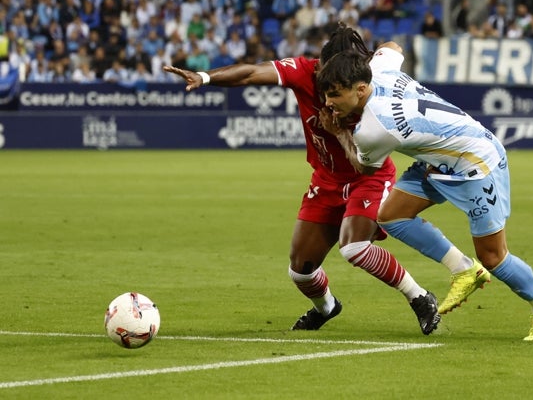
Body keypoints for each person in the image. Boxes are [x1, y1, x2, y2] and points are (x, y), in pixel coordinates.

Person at [163, 24, 441, 335]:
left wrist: (339, 128)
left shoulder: (368, 83)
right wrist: (206, 77)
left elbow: (393, 49)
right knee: (301, 271)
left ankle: (419, 298)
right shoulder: (304, 71)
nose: (326, 87)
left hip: (369, 176)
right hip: (326, 181)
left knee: (355, 247)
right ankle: (327, 307)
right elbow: (252, 74)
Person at [316, 45, 533, 341]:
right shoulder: (380, 69)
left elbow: (365, 169)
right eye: (327, 95)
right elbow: (392, 47)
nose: (329, 103)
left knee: (494, 256)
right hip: (442, 159)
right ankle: (464, 269)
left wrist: (339, 133)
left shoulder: (374, 128)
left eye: (335, 95)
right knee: (391, 216)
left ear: (361, 88)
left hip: (476, 164)